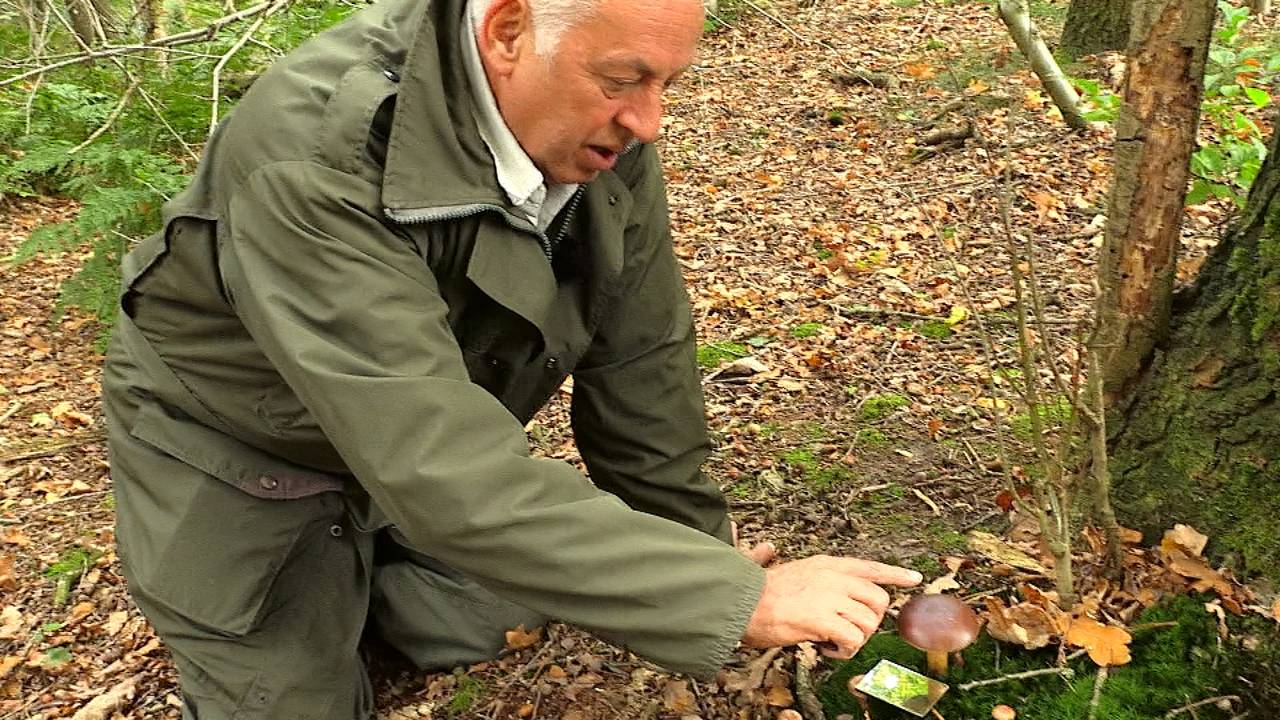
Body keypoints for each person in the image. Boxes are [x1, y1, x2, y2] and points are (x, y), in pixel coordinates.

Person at [101, 0, 923, 717]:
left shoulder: (598, 124)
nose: (648, 121)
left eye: (667, 83)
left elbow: (643, 366)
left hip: (408, 436)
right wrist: (738, 601)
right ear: (505, 31)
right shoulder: (319, 156)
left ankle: (367, 573)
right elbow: (442, 468)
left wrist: (701, 561)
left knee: (506, 614)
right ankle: (295, 604)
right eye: (625, 79)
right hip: (246, 451)